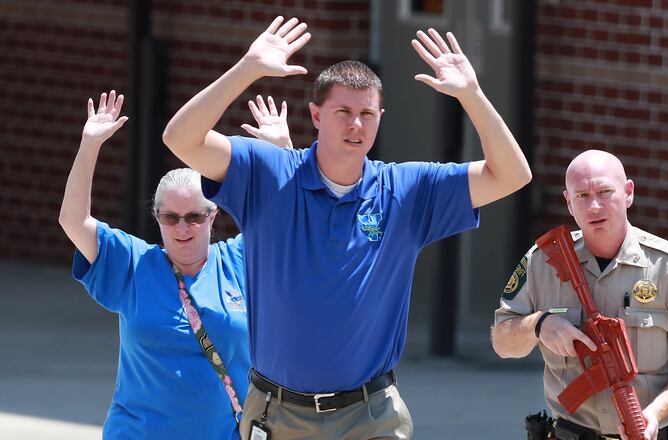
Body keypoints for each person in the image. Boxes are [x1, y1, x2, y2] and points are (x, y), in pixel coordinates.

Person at [162, 15, 532, 440]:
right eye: (343, 112)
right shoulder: (267, 172)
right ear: (316, 115)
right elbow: (180, 138)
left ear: (380, 118)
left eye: (366, 114)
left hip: (371, 416)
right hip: (278, 415)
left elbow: (511, 175)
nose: (356, 124)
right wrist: (248, 68)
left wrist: (472, 95)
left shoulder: (405, 190)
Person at [59, 90, 288, 439]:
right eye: (170, 217)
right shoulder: (134, 263)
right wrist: (89, 145)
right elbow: (73, 221)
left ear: (213, 215)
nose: (182, 228)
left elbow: (288, 221)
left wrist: (282, 152)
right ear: (157, 217)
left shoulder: (240, 260)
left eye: (194, 216)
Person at [491, 150, 668, 440]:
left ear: (628, 193)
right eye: (582, 196)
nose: (594, 206)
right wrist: (539, 324)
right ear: (569, 202)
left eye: (605, 192)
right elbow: (502, 342)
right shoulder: (541, 263)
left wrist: (655, 413)